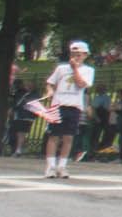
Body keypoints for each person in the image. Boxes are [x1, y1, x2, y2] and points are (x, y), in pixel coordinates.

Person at [40, 44, 93, 180]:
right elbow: (50, 82)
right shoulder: (61, 68)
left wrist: (75, 69)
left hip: (74, 105)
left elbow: (82, 84)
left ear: (85, 55)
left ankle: (62, 165)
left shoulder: (88, 70)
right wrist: (50, 90)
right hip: (58, 104)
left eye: (80, 54)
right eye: (74, 54)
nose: (76, 56)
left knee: (69, 137)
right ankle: (50, 165)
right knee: (54, 135)